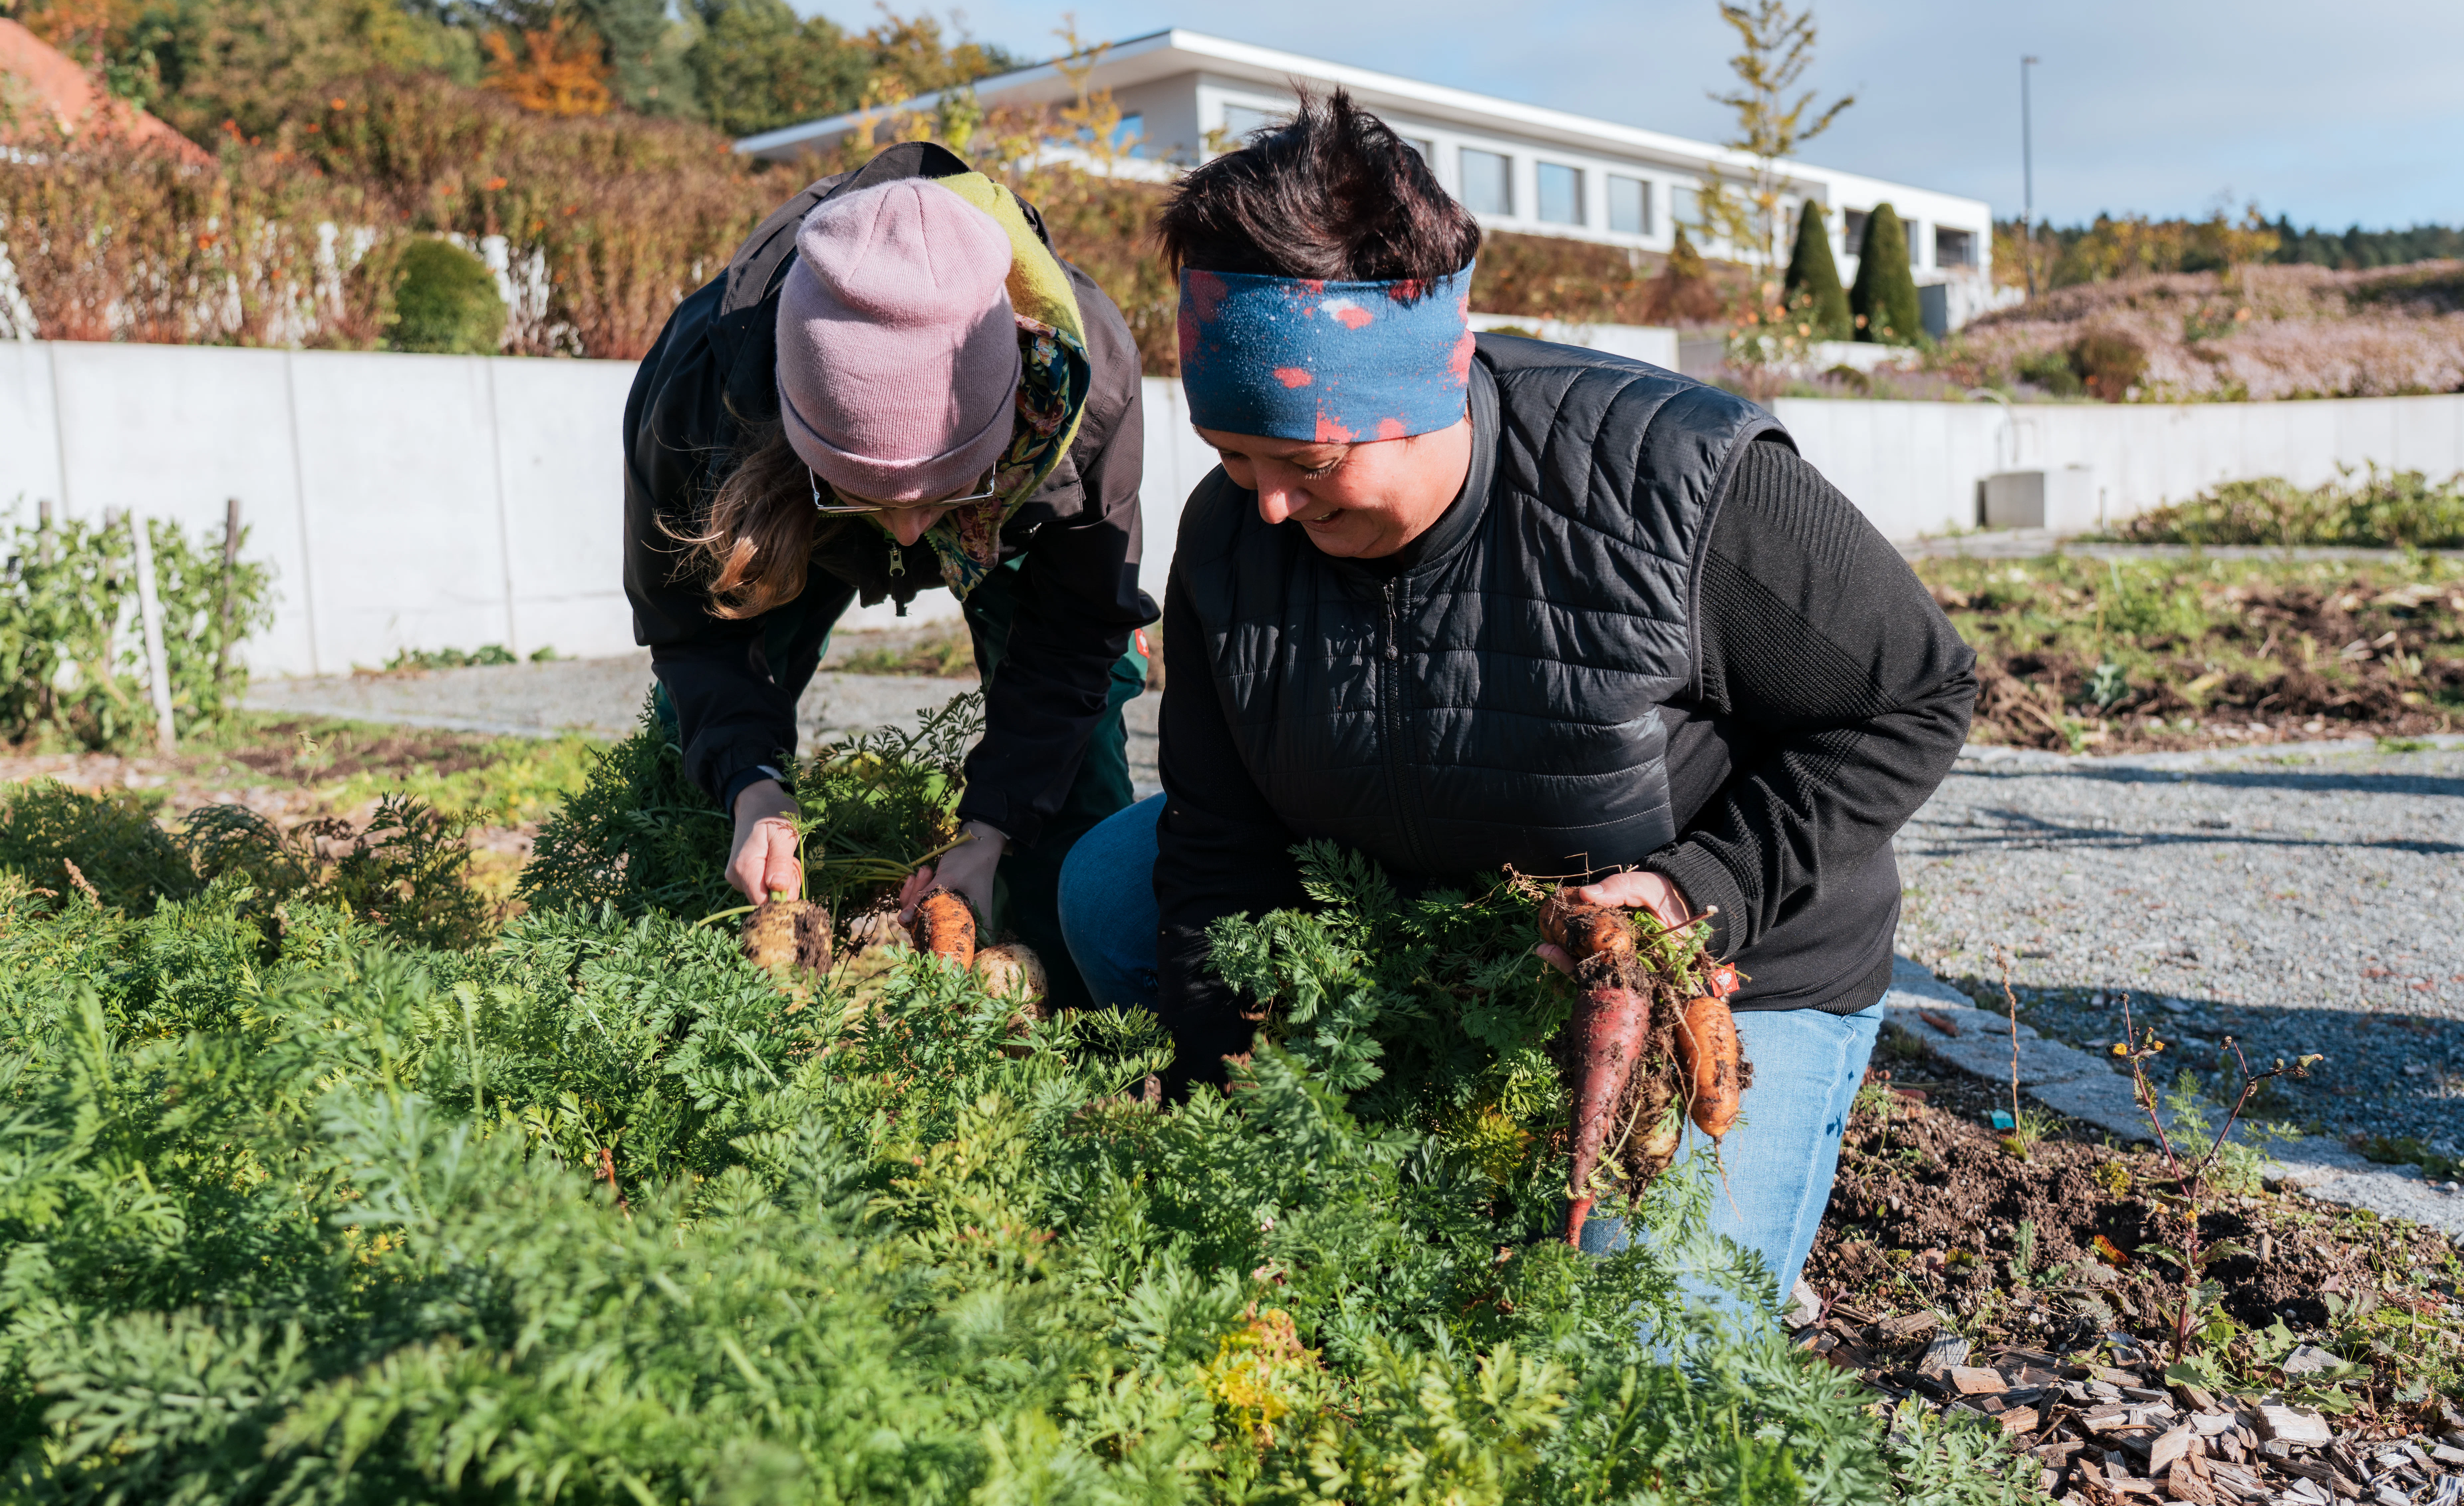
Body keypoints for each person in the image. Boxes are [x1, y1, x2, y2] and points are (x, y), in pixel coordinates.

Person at [1055, 93, 1975, 1304]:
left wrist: (1702, 890)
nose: (1268, 504)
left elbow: (1915, 692)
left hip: (1716, 955)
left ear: (1416, 391)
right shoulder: (1235, 535)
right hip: (1441, 913)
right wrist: (1230, 1131)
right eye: (1234, 456)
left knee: (1639, 1358)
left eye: (1308, 461)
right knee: (1114, 885)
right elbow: (1222, 848)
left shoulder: (1678, 480)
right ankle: (1439, 1126)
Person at [624, 142, 1156, 996]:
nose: (911, 532)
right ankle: (681, 969)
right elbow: (690, 632)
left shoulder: (1084, 386)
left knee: (1079, 743)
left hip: (1014, 502)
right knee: (696, 743)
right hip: (783, 504)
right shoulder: (700, 397)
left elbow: (1077, 633)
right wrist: (751, 785)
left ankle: (1080, 995)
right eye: (867, 493)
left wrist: (990, 829)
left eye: (945, 489)